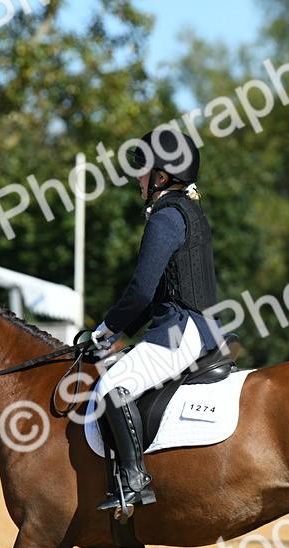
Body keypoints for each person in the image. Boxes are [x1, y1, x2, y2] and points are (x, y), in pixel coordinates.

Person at [89, 128, 221, 513]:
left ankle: (134, 480)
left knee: (113, 384)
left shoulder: (165, 216)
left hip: (181, 329)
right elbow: (160, 292)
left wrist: (106, 328)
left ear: (161, 177)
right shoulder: (186, 210)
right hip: (191, 324)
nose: (137, 177)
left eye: (142, 170)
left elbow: (142, 291)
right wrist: (119, 332)